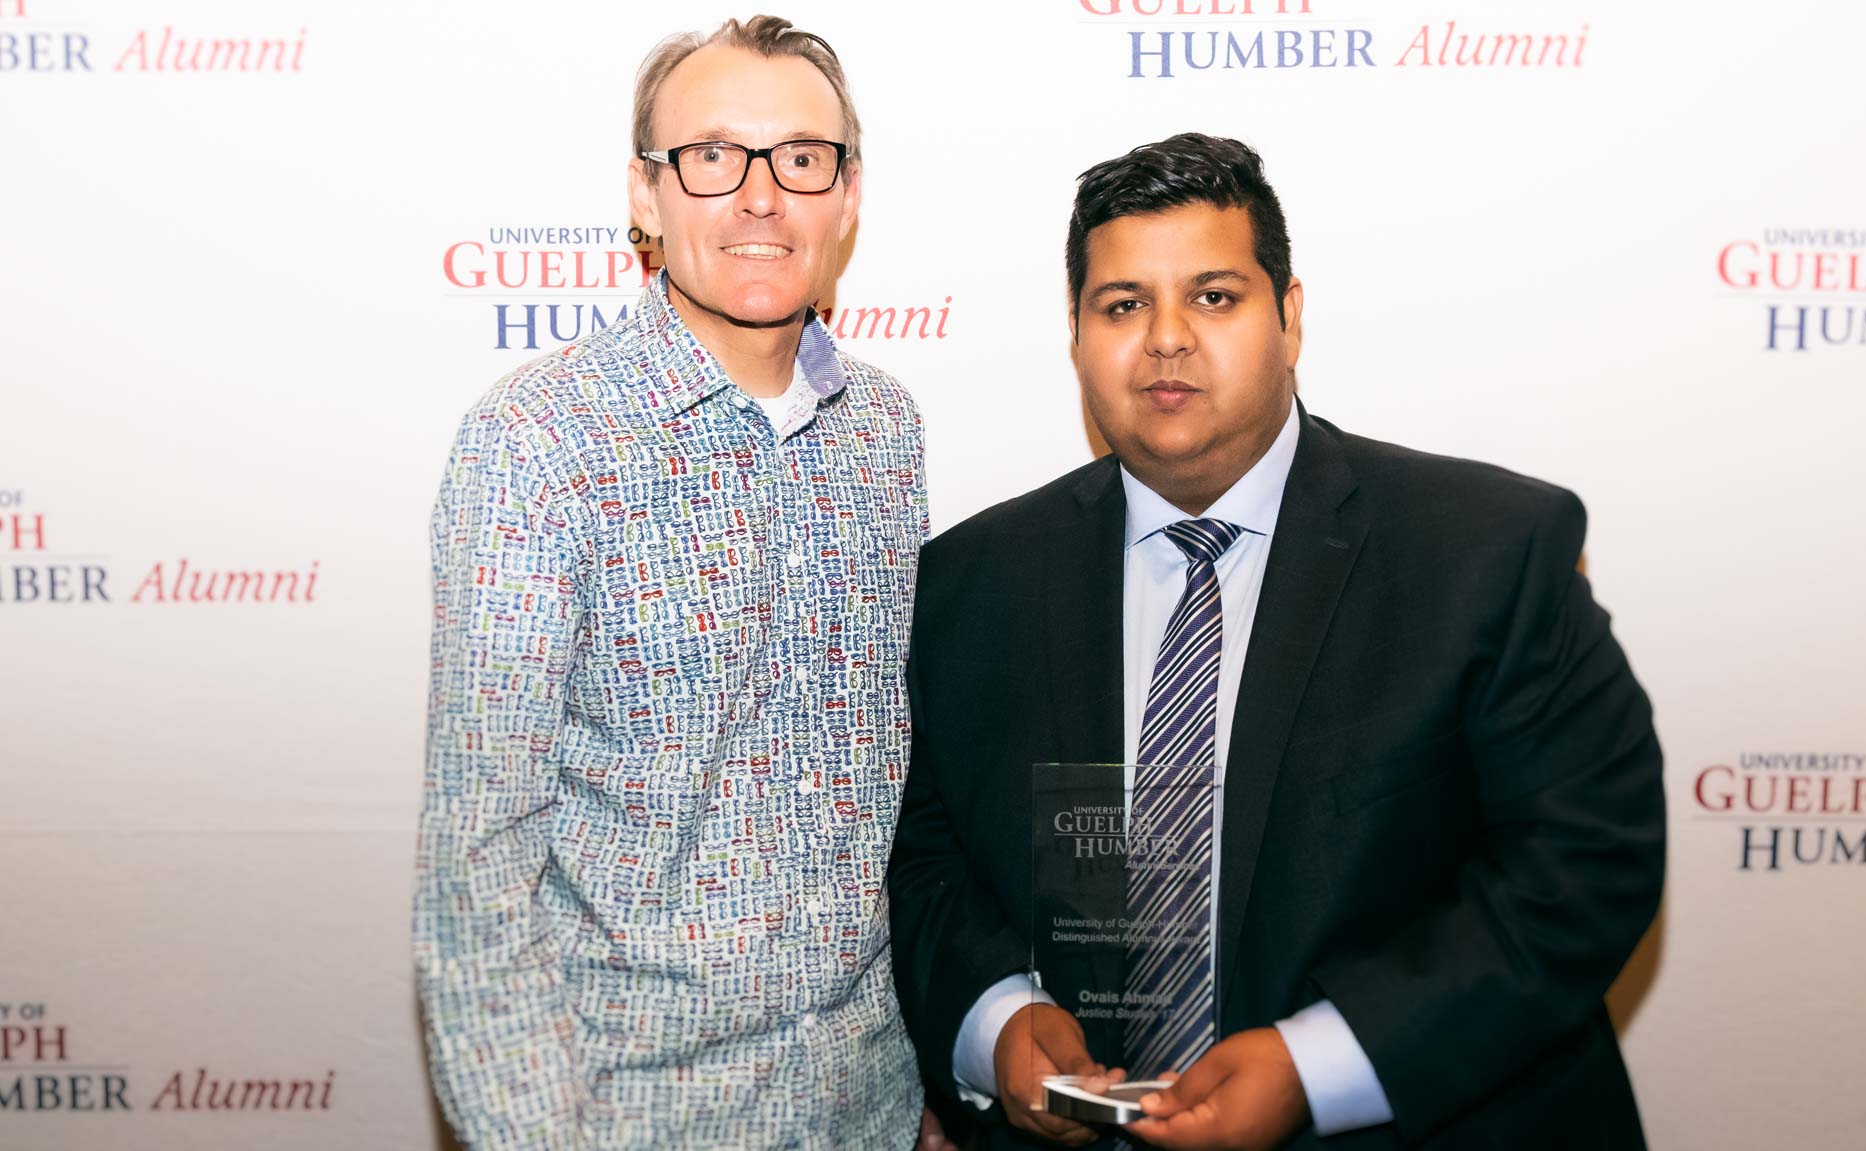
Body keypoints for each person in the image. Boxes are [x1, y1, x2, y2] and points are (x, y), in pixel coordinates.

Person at [889, 133, 1664, 1150]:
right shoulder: (968, 586)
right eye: (1123, 305)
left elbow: (1585, 862)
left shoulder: (1485, 553)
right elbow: (922, 863)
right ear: (1077, 336)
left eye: (1214, 296)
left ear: (1290, 317)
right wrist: (996, 1021)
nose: (1166, 338)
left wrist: (1315, 1064)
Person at [415, 17, 930, 1149]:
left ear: (846, 196)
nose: (760, 197)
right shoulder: (539, 442)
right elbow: (477, 862)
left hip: (873, 1103)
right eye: (712, 157)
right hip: (633, 1112)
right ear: (645, 198)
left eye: (802, 158)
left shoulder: (886, 431)